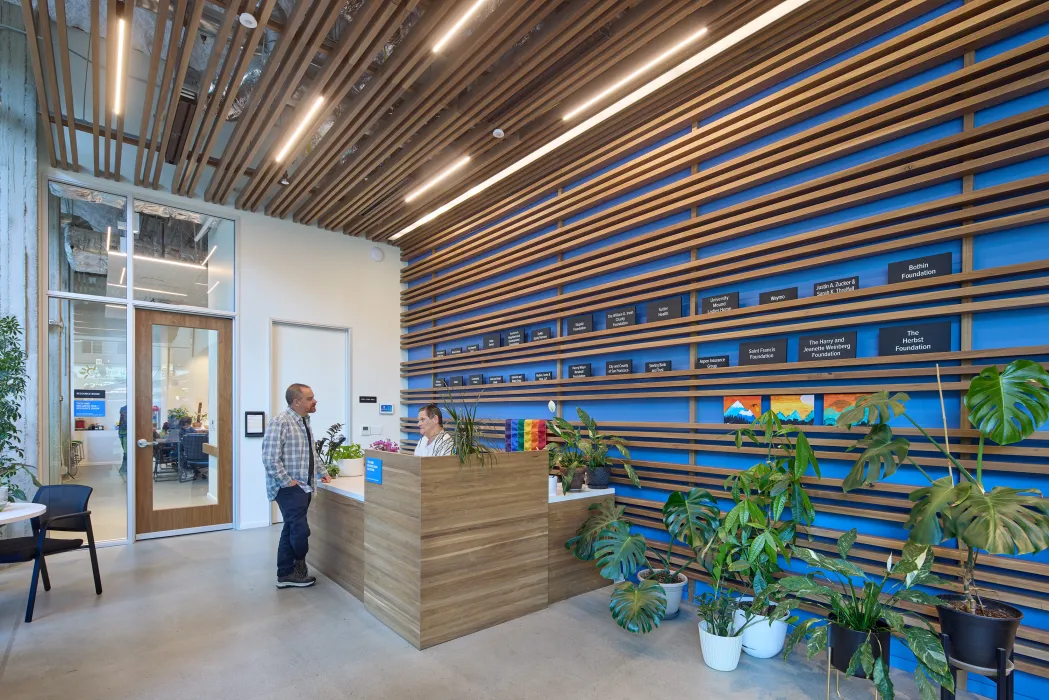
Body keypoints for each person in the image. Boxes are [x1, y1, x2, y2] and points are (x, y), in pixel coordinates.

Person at [262, 383, 332, 588]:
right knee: (301, 531)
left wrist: (323, 472)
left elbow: (311, 452)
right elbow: (269, 458)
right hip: (289, 488)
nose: (315, 401)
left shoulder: (304, 422)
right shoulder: (280, 422)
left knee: (291, 528)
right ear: (296, 402)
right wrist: (288, 482)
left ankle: (285, 573)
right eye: (310, 398)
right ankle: (298, 569)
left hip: (304, 486)